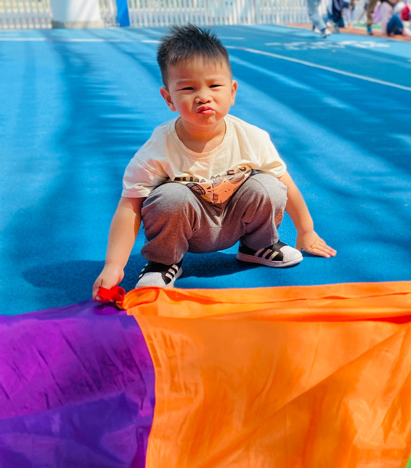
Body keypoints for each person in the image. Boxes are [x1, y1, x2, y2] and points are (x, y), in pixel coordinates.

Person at [91, 24, 336, 297]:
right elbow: (130, 205)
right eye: (188, 88)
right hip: (189, 229)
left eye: (214, 85)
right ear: (168, 98)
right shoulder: (158, 148)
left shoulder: (251, 137)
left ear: (232, 91)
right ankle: (164, 261)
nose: (204, 96)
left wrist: (306, 230)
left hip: (234, 223)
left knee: (269, 185)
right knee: (171, 196)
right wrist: (114, 265)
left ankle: (256, 246)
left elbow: (285, 182)